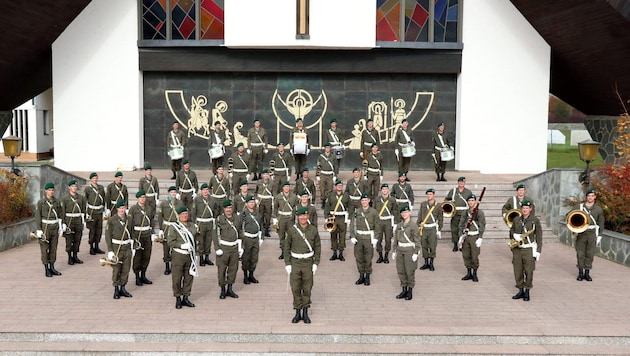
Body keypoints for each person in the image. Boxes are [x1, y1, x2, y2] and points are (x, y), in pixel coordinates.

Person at [284, 206, 321, 324]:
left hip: (308, 262)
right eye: (301, 216)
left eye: (305, 215)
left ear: (308, 216)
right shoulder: (292, 230)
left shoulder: (313, 230)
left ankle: (305, 312)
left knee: (307, 288)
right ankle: (297, 311)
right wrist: (288, 263)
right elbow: (287, 247)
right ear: (297, 217)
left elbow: (318, 247)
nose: (303, 218)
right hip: (295, 262)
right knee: (295, 287)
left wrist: (316, 263)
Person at [509, 200, 542, 301]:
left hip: (528, 248)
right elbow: (511, 230)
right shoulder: (516, 219)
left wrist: (538, 251)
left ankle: (527, 290)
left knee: (529, 271)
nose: (525, 210)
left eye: (527, 208)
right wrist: (514, 235)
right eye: (523, 208)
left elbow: (539, 236)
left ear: (530, 209)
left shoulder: (535, 220)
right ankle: (520, 290)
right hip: (517, 249)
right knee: (517, 270)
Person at [570, 188, 605, 281]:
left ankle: (587, 273)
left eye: (592, 196)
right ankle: (580, 272)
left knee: (590, 253)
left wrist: (600, 235)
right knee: (580, 253)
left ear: (595, 197)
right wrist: (574, 227)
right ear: (586, 197)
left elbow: (601, 222)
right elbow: (569, 216)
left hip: (592, 234)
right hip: (581, 233)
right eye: (589, 196)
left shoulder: (598, 209)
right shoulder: (579, 207)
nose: (590, 197)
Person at [167, 205, 198, 309]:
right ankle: (178, 298)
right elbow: (170, 242)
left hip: (189, 255)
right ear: (179, 216)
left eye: (186, 214)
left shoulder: (192, 226)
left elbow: (196, 239)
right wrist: (181, 245)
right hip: (178, 255)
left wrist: (195, 253)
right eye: (183, 214)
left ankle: (186, 297)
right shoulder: (174, 227)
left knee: (189, 277)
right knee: (177, 278)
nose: (185, 216)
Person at [214, 199, 243, 299]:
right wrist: (217, 248)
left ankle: (230, 288)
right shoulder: (219, 219)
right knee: (222, 269)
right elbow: (215, 235)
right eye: (227, 208)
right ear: (224, 209)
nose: (229, 210)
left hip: (234, 247)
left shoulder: (237, 218)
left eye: (230, 208)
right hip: (224, 248)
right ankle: (222, 289)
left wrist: (241, 246)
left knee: (233, 269)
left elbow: (240, 232)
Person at [34, 182, 64, 277]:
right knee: (44, 248)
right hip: (45, 228)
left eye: (52, 190)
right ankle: (46, 268)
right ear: (46, 191)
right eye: (49, 190)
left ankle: (52, 266)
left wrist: (61, 225)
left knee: (53, 248)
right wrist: (39, 229)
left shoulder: (57, 201)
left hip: (54, 227)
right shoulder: (41, 202)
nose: (51, 192)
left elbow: (60, 214)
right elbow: (38, 216)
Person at [105, 199, 133, 299]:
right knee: (116, 269)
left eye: (123, 208)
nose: (122, 210)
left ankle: (123, 288)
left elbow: (132, 233)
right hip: (117, 248)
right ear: (117, 209)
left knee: (126, 268)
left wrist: (132, 246)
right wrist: (110, 250)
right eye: (120, 208)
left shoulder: (129, 219)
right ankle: (116, 288)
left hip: (127, 247)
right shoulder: (112, 220)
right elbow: (108, 236)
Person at [392, 205, 421, 300]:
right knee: (401, 271)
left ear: (410, 213)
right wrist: (394, 250)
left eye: (406, 212)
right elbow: (396, 239)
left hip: (409, 251)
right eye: (403, 213)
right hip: (400, 251)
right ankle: (404, 289)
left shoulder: (413, 226)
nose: (404, 214)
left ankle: (410, 290)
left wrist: (416, 252)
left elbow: (417, 240)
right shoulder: (399, 226)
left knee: (409, 271)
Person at [350, 194, 378, 286]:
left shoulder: (373, 212)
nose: (364, 202)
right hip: (359, 237)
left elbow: (377, 226)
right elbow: (352, 224)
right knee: (359, 257)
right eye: (362, 200)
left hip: (368, 237)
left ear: (369, 200)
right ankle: (361, 275)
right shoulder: (357, 211)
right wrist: (353, 236)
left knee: (368, 258)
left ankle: (367, 276)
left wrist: (376, 238)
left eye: (366, 200)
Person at [129, 190, 155, 286]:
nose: (143, 199)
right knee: (137, 257)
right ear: (137, 198)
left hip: (147, 234)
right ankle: (137, 276)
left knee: (146, 255)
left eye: (144, 197)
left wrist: (152, 233)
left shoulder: (149, 208)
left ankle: (143, 274)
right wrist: (132, 238)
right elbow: (130, 224)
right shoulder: (133, 209)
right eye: (141, 197)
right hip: (137, 235)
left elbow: (151, 221)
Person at [458, 194, 485, 282]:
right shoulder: (465, 212)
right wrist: (460, 236)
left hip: (474, 236)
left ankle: (475, 273)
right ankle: (469, 272)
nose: (470, 202)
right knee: (466, 255)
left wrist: (480, 237)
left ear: (475, 201)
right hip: (466, 236)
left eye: (472, 200)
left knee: (474, 255)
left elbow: (482, 225)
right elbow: (461, 224)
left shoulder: (479, 212)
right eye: (469, 201)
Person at [157, 186, 183, 275]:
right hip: (167, 227)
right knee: (166, 247)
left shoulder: (180, 203)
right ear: (169, 193)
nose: (173, 194)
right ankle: (167, 266)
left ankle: (174, 265)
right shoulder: (164, 203)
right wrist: (161, 229)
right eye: (171, 192)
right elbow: (160, 216)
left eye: (174, 192)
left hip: (176, 227)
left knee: (175, 245)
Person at [61, 179, 87, 265]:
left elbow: (83, 210)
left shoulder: (81, 198)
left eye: (75, 186)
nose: (74, 188)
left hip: (78, 220)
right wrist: (63, 223)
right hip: (69, 221)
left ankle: (75, 256)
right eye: (72, 186)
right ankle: (69, 257)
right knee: (69, 240)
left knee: (77, 239)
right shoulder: (65, 198)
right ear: (69, 187)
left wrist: (84, 221)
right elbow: (63, 211)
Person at [416, 188, 443, 271]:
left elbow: (440, 218)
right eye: (428, 194)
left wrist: (439, 229)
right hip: (424, 227)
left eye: (430, 194)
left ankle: (431, 263)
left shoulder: (438, 205)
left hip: (432, 228)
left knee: (432, 246)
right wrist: (418, 225)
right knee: (424, 245)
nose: (429, 196)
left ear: (434, 195)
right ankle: (426, 262)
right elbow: (420, 215)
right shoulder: (423, 204)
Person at [273, 181, 300, 259]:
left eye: (288, 186)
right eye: (285, 187)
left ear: (289, 187)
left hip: (290, 218)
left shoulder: (294, 196)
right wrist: (275, 218)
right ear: (282, 188)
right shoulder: (278, 197)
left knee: (291, 235)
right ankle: (283, 252)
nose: (286, 188)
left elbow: (296, 207)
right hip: (281, 218)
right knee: (281, 236)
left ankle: (290, 251)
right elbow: (275, 207)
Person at [445, 177, 472, 252]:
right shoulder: (453, 191)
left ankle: (463, 244)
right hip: (455, 212)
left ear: (465, 183)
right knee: (454, 229)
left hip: (464, 213)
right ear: (458, 182)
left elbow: (471, 201)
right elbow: (447, 200)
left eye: (463, 182)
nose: (461, 183)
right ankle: (455, 244)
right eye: (460, 182)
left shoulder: (468, 192)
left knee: (464, 228)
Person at [191, 183, 216, 267]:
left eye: (207, 190)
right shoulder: (197, 199)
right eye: (204, 190)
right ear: (201, 191)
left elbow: (215, 210)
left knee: (208, 240)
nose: (205, 191)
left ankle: (207, 257)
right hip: (200, 222)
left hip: (209, 222)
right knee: (201, 240)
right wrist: (194, 223)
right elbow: (193, 211)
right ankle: (201, 258)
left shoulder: (212, 199)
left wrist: (215, 219)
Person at [325, 179, 350, 261]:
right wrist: (326, 217)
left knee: (342, 235)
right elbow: (327, 206)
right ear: (335, 186)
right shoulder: (331, 195)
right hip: (333, 217)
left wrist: (349, 217)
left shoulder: (346, 195)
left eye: (341, 185)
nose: (340, 187)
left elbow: (350, 206)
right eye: (338, 185)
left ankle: (341, 253)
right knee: (333, 235)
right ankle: (334, 253)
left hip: (342, 217)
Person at [374, 183, 399, 264]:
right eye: (383, 189)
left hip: (388, 221)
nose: (384, 191)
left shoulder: (392, 200)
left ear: (388, 190)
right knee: (378, 239)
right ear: (381, 190)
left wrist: (395, 222)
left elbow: (395, 211)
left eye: (386, 189)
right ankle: (380, 255)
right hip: (379, 221)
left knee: (388, 239)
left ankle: (386, 255)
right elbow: (373, 211)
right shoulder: (377, 199)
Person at [241, 195, 263, 284]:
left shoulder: (258, 214)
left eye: (253, 202)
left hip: (255, 238)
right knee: (246, 257)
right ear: (246, 204)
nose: (251, 204)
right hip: (247, 238)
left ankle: (251, 274)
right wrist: (241, 239)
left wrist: (262, 237)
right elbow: (240, 227)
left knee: (254, 257)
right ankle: (245, 276)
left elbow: (261, 225)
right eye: (250, 202)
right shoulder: (243, 214)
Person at [84, 172, 107, 255]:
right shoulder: (88, 189)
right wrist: (86, 213)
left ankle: (97, 246)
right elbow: (84, 201)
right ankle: (91, 247)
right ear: (91, 179)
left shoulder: (100, 188)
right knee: (92, 230)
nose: (95, 179)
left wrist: (104, 209)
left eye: (96, 178)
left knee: (99, 230)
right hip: (92, 212)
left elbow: (104, 199)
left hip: (99, 211)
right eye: (93, 178)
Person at [316, 142, 337, 209]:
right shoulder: (321, 156)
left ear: (330, 148)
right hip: (323, 174)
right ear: (325, 148)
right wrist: (318, 175)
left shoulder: (333, 156)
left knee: (330, 189)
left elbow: (336, 166)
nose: (327, 149)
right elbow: (318, 165)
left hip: (330, 174)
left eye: (329, 148)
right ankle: (323, 201)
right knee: (322, 188)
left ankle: (329, 201)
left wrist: (335, 175)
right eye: (326, 148)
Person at [255, 168, 274, 237]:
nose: (266, 176)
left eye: (267, 174)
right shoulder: (259, 182)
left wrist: (273, 201)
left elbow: (273, 192)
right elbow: (256, 191)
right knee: (261, 215)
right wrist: (256, 199)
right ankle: (262, 229)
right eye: (264, 174)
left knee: (268, 216)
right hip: (261, 200)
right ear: (262, 175)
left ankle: (266, 229)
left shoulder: (272, 183)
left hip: (268, 200)